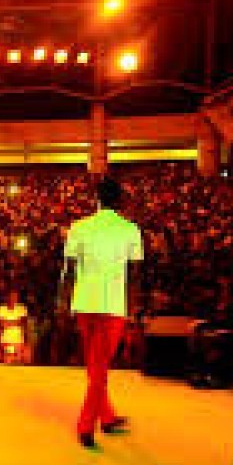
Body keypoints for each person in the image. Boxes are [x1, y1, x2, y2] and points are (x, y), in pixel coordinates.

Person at [59, 177, 143, 449]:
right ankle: (86, 425)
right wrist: (134, 310)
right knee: (100, 367)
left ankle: (106, 416)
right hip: (113, 305)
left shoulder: (79, 227)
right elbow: (135, 275)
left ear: (97, 199)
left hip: (84, 303)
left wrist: (63, 303)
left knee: (95, 365)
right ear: (120, 200)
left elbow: (68, 270)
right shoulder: (130, 229)